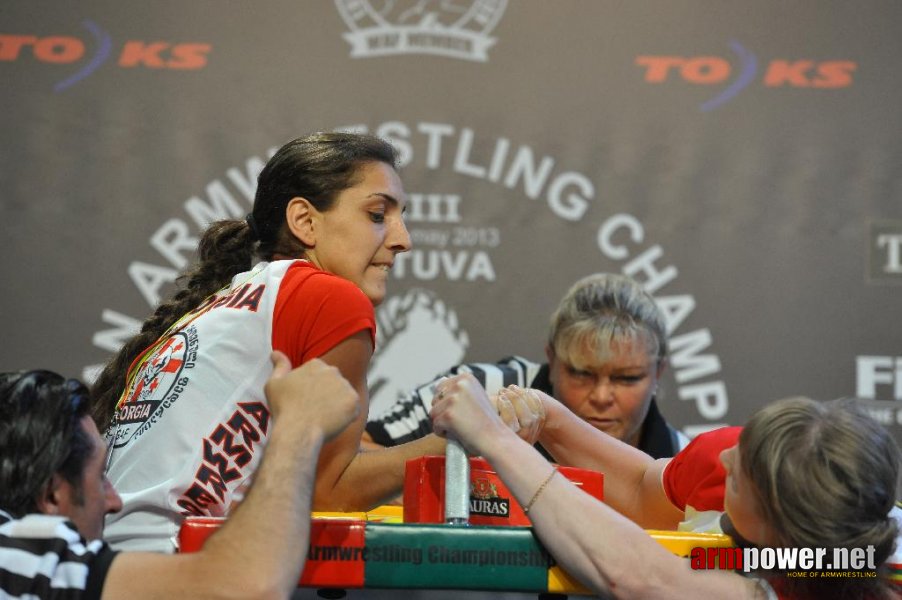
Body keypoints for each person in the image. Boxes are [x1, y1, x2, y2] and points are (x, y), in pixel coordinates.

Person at [89, 132, 444, 552]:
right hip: (174, 566)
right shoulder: (330, 297)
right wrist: (465, 440)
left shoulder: (230, 296)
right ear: (305, 221)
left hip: (119, 563)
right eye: (377, 214)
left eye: (402, 216)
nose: (404, 239)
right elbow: (330, 493)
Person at [430, 374, 902, 600]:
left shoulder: (802, 578)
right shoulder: (802, 544)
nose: (724, 457)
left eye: (739, 475)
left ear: (778, 527)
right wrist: (545, 414)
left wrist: (490, 438)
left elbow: (638, 576)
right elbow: (640, 489)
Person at [0, 353, 359, 599]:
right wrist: (299, 425)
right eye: (100, 478)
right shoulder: (14, 554)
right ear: (52, 496)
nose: (114, 501)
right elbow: (246, 587)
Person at [366, 273, 688, 459]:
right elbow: (358, 453)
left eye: (627, 378)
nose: (602, 396)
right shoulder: (482, 391)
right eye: (581, 373)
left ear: (658, 372)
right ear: (551, 359)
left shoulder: (680, 458)